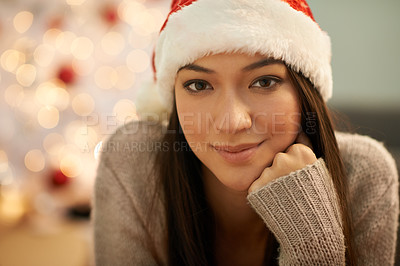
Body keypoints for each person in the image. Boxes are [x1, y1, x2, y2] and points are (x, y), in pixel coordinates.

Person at [92, 0, 399, 265]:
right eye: (199, 85)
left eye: (264, 82)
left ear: (305, 93)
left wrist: (309, 235)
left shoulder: (362, 174)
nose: (232, 121)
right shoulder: (134, 164)